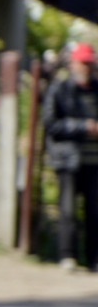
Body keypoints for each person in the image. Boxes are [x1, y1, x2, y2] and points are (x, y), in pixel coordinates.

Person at [43, 40, 98, 272]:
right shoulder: (61, 89)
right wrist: (83, 126)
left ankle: (94, 259)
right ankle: (68, 256)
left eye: (88, 63)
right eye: (81, 63)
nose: (85, 67)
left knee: (95, 211)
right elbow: (51, 124)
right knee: (67, 210)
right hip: (69, 159)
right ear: (73, 64)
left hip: (95, 162)